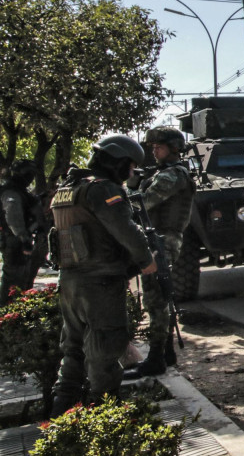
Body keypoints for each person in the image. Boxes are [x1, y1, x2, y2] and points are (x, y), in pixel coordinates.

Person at [48, 134, 157, 415]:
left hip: (70, 282)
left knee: (73, 349)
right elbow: (125, 230)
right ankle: (104, 415)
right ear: (116, 161)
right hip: (100, 284)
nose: (130, 173)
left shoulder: (67, 189)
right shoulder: (101, 189)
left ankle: (61, 413)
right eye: (129, 166)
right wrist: (146, 260)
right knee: (105, 351)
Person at [123, 126, 195, 379]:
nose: (154, 152)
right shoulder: (163, 173)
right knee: (158, 297)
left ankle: (156, 358)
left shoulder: (173, 175)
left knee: (155, 299)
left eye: (159, 147)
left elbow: (144, 203)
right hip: (156, 239)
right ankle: (165, 352)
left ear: (174, 148)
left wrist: (125, 193)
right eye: (153, 147)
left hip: (163, 240)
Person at [1, 160, 43, 306]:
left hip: (17, 239)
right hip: (14, 241)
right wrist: (23, 238)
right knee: (13, 282)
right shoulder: (11, 192)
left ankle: (14, 311)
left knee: (20, 280)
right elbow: (13, 216)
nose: (31, 178)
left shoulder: (20, 191)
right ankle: (6, 313)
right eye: (30, 174)